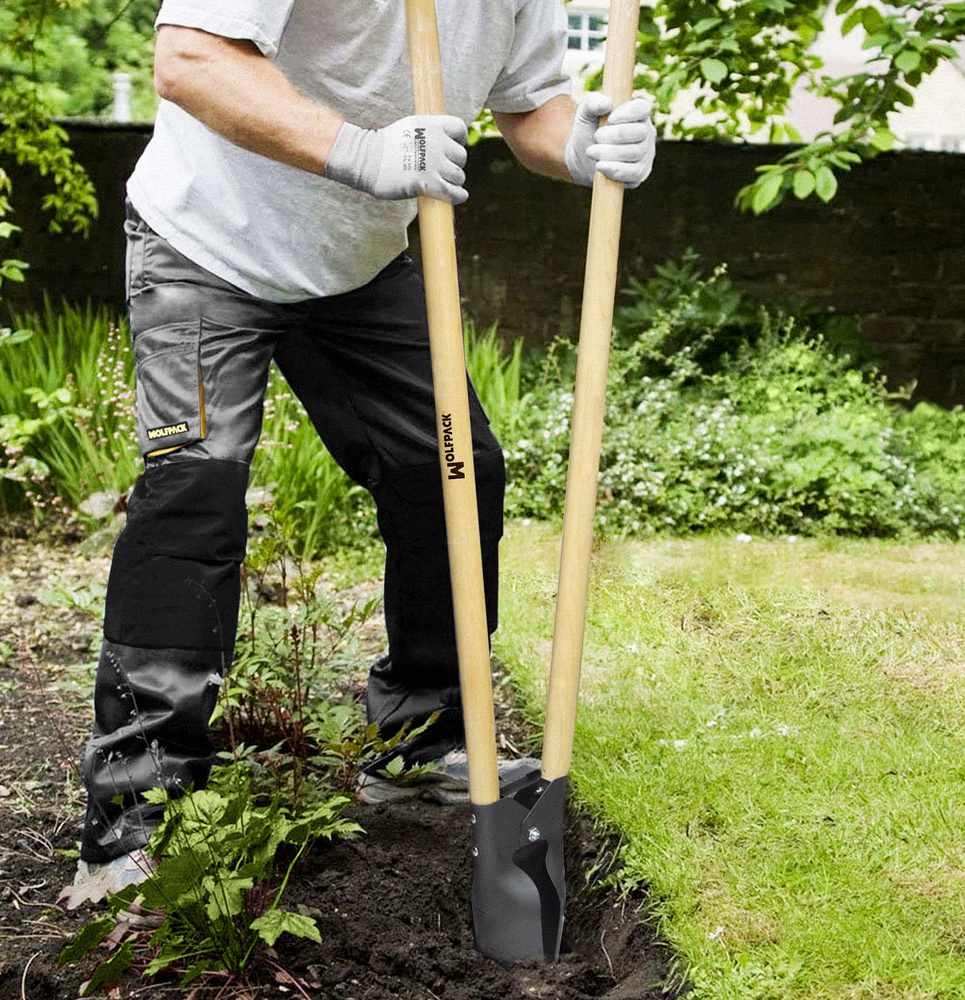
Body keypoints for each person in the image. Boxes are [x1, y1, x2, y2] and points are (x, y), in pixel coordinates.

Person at [70, 0, 657, 896]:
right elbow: (189, 58)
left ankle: (419, 736)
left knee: (451, 472)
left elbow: (529, 103)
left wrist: (584, 142)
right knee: (195, 498)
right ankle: (133, 818)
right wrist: (367, 151)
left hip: (359, 263)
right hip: (207, 245)